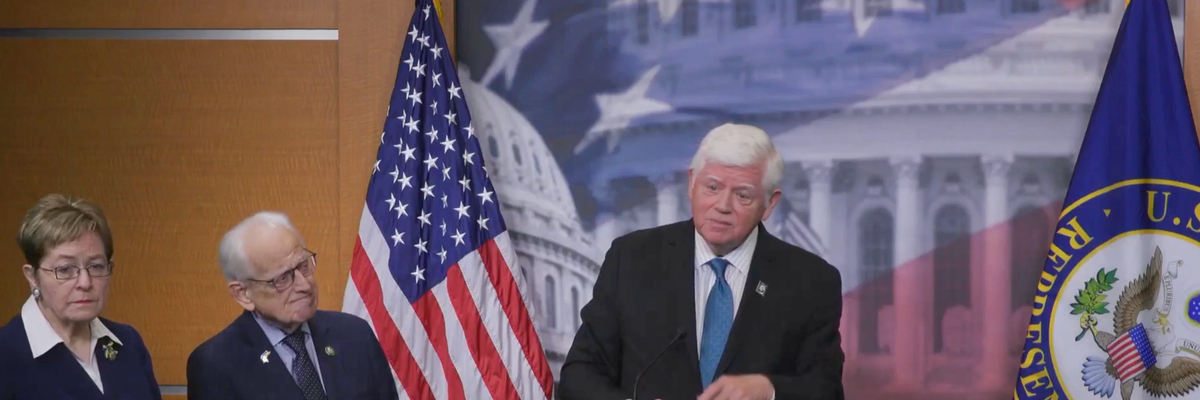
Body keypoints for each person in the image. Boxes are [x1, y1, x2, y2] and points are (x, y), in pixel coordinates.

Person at [559, 123, 845, 400]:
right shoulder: (632, 258)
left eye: (742, 195)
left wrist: (769, 391)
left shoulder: (811, 281)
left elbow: (826, 389)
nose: (722, 206)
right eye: (712, 187)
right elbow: (580, 372)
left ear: (769, 203)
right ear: (691, 183)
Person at [186, 212, 399, 400]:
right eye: (282, 278)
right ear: (243, 294)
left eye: (303, 266)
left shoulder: (355, 335)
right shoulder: (215, 365)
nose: (304, 285)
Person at [0, 194, 162, 400]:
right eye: (65, 269)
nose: (85, 282)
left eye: (96, 266)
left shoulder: (128, 343)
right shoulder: (6, 355)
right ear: (32, 276)